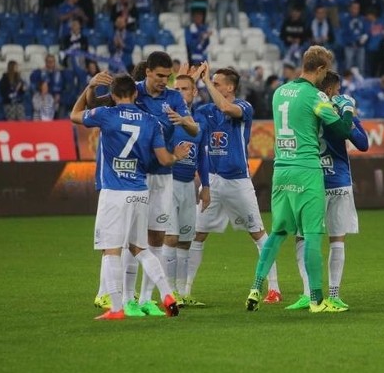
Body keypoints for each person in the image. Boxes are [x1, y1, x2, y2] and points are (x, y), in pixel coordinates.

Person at [71, 73, 190, 320]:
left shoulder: (107, 115)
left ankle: (116, 308)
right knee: (141, 248)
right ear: (135, 94)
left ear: (113, 95)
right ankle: (167, 293)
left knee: (111, 250)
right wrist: (177, 155)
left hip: (114, 192)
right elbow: (164, 159)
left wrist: (90, 86)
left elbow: (74, 115)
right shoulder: (150, 121)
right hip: (139, 191)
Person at [245, 45, 354, 313]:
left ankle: (256, 288)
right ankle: (317, 300)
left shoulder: (279, 92)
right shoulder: (315, 96)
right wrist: (347, 107)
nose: (324, 76)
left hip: (281, 169)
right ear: (319, 69)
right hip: (307, 169)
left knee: (279, 231)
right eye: (324, 71)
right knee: (314, 235)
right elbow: (340, 129)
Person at [189, 63, 283, 304]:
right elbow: (187, 117)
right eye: (213, 83)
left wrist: (206, 81)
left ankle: (274, 288)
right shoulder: (207, 111)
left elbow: (226, 107)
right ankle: (185, 291)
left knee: (258, 234)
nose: (212, 86)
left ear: (230, 87)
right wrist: (188, 87)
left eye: (218, 83)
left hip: (239, 181)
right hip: (213, 181)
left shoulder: (243, 106)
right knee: (197, 235)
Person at [286, 71, 369, 311]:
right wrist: (348, 111)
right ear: (332, 90)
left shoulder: (304, 108)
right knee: (337, 238)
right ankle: (333, 295)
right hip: (338, 181)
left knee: (303, 236)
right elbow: (362, 144)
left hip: (310, 181)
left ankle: (308, 293)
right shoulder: (340, 110)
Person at [163, 73, 211, 308]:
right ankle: (168, 291)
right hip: (168, 184)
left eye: (185, 88)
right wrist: (173, 157)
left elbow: (202, 156)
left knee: (185, 241)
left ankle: (182, 292)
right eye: (177, 88)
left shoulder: (197, 123)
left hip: (188, 187)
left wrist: (206, 186)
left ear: (193, 93)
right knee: (170, 238)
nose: (180, 92)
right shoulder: (167, 119)